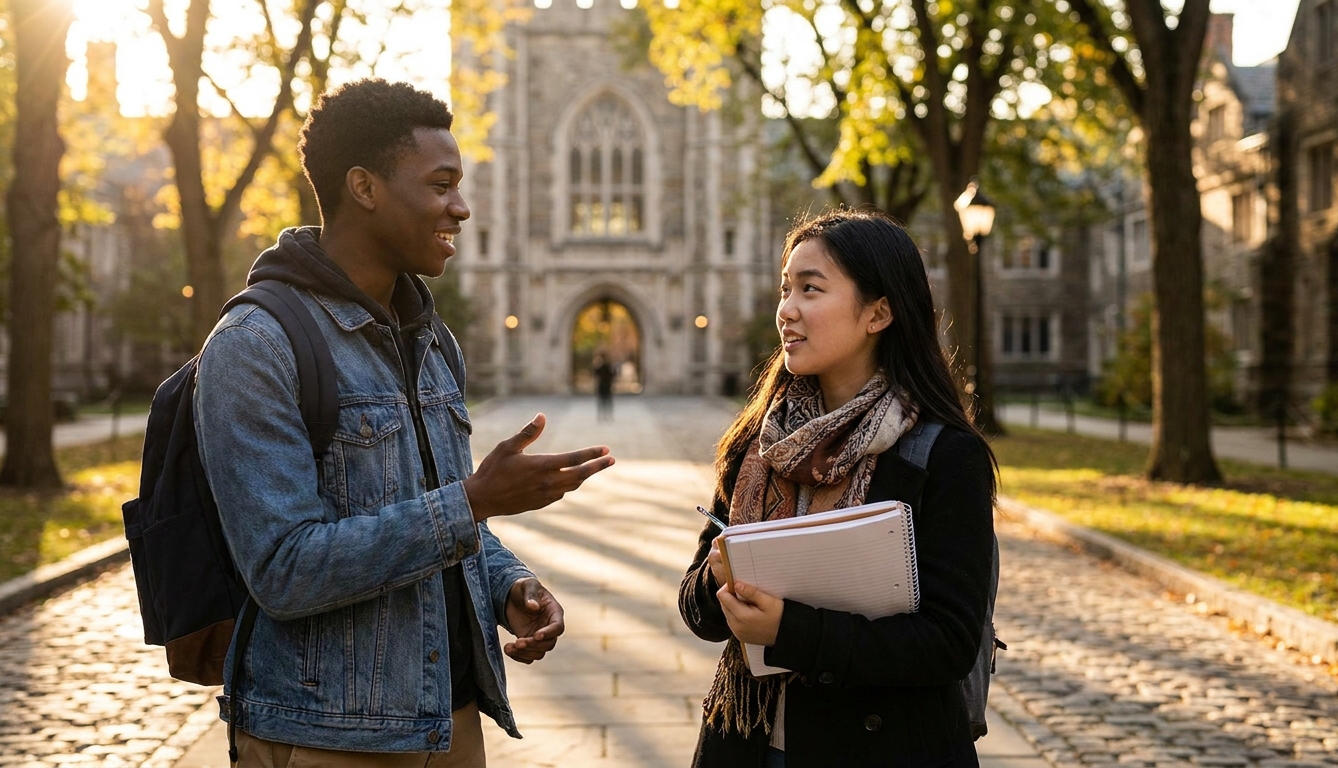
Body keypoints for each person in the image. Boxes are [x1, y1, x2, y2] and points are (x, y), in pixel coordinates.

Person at [194, 79, 614, 767]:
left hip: (447, 721)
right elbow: (283, 568)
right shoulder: (256, 345)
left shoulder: (427, 336)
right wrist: (475, 500)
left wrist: (508, 582)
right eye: (440, 184)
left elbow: (428, 514)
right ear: (365, 188)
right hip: (326, 737)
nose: (463, 207)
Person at [679, 209, 997, 767]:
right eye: (785, 289)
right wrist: (717, 577)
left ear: (878, 313)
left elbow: (949, 644)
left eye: (811, 289)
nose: (787, 311)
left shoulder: (945, 456)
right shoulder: (759, 443)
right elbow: (697, 609)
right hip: (747, 748)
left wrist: (790, 631)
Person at [593, 353, 615, 421]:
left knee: (602, 401)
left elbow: (595, 374)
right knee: (607, 401)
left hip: (602, 386)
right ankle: (608, 415)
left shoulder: (601, 367)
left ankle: (602, 415)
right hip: (607, 386)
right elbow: (613, 375)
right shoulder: (608, 367)